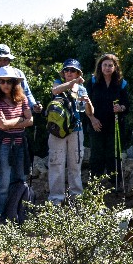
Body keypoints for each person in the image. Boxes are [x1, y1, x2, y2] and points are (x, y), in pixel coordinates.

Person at [0, 44, 42, 212]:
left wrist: (34, 106)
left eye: (6, 59)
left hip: (15, 131)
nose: (3, 62)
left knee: (19, 168)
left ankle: (14, 205)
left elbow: (26, 94)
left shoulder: (17, 74)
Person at [0, 66, 34, 219]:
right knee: (3, 181)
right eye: (2, 81)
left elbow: (30, 121)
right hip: (4, 145)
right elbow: (2, 125)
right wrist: (20, 119)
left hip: (20, 143)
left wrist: (13, 122)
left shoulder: (22, 99)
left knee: (20, 179)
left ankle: (18, 213)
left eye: (9, 81)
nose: (5, 84)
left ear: (15, 83)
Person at [48, 59, 95, 204]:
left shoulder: (81, 89)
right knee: (57, 163)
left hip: (76, 129)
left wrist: (87, 101)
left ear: (78, 73)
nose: (69, 73)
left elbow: (90, 113)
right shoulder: (58, 83)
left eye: (72, 70)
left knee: (75, 163)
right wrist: (73, 83)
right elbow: (55, 91)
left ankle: (76, 197)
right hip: (57, 131)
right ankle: (56, 198)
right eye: (67, 70)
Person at [85, 53, 129, 183]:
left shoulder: (122, 83)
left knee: (113, 154)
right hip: (96, 123)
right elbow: (85, 103)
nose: (107, 68)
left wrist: (121, 108)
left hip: (114, 124)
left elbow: (127, 104)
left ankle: (115, 183)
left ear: (115, 67)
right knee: (96, 154)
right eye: (105, 65)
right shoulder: (93, 82)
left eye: (110, 65)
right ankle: (95, 184)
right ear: (100, 66)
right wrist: (92, 119)